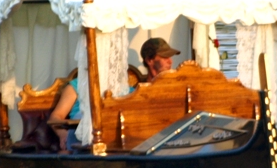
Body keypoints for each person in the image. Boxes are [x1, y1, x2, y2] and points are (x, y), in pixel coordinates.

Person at [48, 38, 180, 150]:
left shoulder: (125, 89)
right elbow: (56, 116)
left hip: (116, 139)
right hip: (84, 136)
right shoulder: (77, 86)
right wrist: (62, 134)